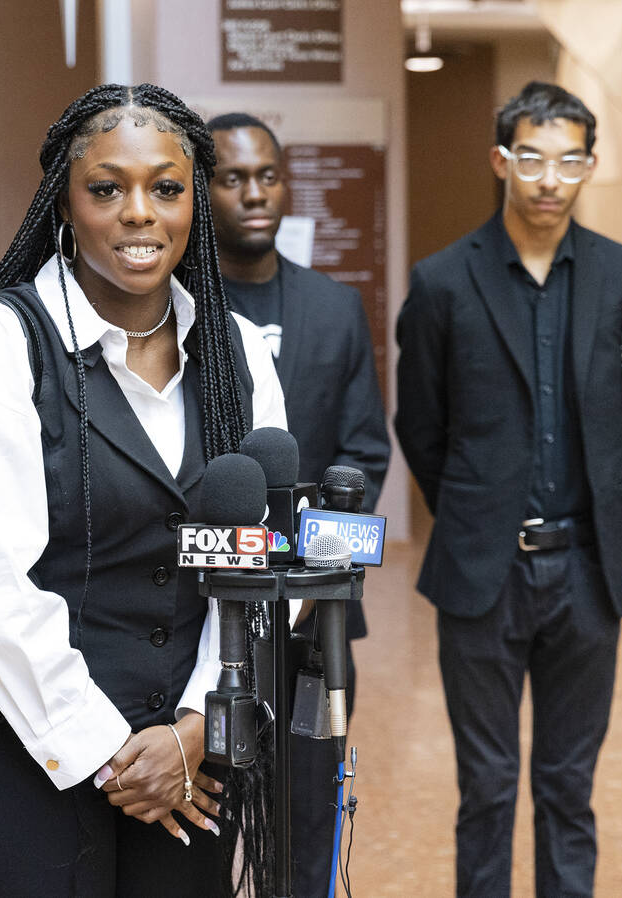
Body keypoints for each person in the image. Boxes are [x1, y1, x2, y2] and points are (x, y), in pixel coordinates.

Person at [0, 83, 292, 898]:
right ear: (64, 202)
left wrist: (196, 725)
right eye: (107, 188)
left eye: (166, 188)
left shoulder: (238, 354)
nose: (139, 213)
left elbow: (264, 559)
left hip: (190, 768)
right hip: (25, 755)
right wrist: (112, 754)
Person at [395, 81, 622, 897]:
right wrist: (479, 516)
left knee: (567, 787)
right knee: (486, 788)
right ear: (501, 161)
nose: (551, 180)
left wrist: (593, 508)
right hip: (483, 572)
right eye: (533, 159)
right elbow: (422, 427)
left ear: (588, 165)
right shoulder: (443, 281)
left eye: (570, 161)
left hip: (586, 570)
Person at [206, 110, 390, 897]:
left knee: (310, 812)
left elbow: (364, 451)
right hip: (205, 615)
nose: (255, 193)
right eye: (233, 177)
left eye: (268, 176)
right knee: (210, 812)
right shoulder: (179, 315)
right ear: (203, 191)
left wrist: (314, 577)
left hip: (317, 616)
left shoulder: (335, 308)